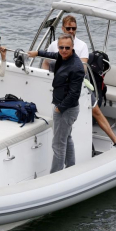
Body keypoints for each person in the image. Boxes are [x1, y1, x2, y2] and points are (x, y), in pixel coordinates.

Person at [43, 15, 116, 148]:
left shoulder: (82, 45)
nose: (71, 31)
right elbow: (45, 63)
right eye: (68, 28)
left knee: (96, 111)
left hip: (80, 84)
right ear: (62, 28)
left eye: (74, 28)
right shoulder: (54, 45)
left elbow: (82, 69)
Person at [27, 34, 84, 173]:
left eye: (67, 48)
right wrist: (38, 53)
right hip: (65, 107)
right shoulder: (62, 56)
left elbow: (74, 94)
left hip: (66, 109)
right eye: (61, 47)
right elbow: (52, 54)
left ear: (73, 47)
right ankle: (71, 168)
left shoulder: (77, 67)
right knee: (66, 137)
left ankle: (55, 176)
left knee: (58, 144)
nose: (64, 50)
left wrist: (59, 108)